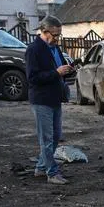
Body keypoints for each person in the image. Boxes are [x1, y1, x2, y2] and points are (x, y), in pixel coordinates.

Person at [26, 16, 73, 185]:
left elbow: (57, 69)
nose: (57, 38)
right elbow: (32, 78)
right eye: (54, 35)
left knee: (55, 136)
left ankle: (40, 167)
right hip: (42, 99)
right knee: (47, 139)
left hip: (55, 98)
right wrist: (57, 73)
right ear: (44, 32)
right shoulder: (34, 49)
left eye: (59, 35)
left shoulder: (54, 48)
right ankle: (52, 173)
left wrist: (66, 71)